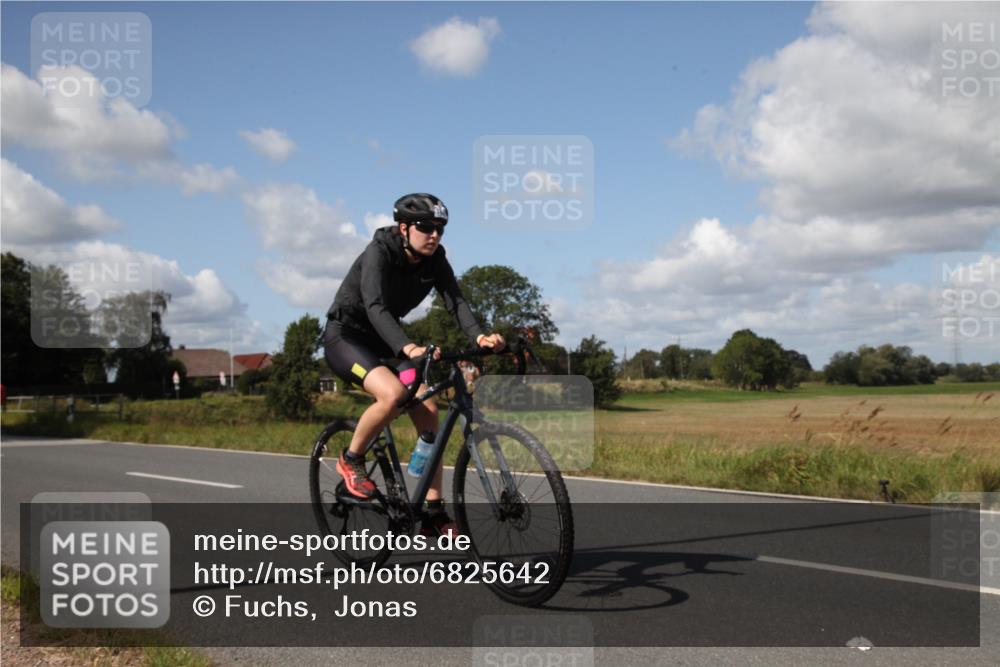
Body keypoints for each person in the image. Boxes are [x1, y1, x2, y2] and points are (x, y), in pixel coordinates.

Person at [323, 193, 505, 537]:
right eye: (425, 227)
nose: (434, 235)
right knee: (392, 395)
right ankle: (351, 459)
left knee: (428, 407)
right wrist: (408, 346)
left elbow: (456, 301)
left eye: (440, 228)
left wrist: (479, 337)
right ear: (404, 228)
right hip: (347, 338)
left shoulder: (435, 260)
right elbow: (375, 305)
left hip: (385, 343)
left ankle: (433, 513)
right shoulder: (380, 252)